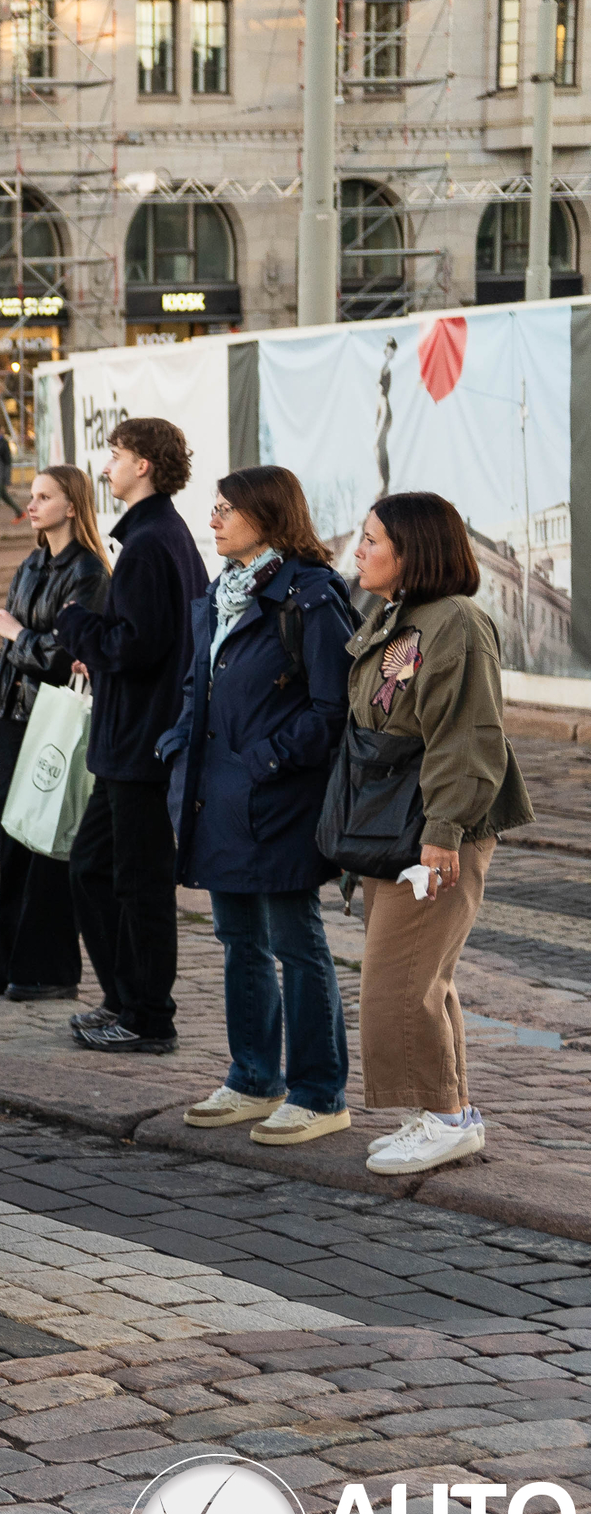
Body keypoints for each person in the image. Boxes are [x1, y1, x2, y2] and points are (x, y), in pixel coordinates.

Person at [161, 467, 360, 1144]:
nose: (212, 520)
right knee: (238, 940)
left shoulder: (309, 596)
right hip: (216, 796)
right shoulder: (222, 591)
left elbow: (334, 708)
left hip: (276, 800)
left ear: (267, 516)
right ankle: (252, 1076)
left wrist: (264, 759)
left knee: (295, 943)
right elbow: (201, 684)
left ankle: (319, 1090)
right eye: (213, 508)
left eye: (226, 510)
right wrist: (178, 744)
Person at [346, 493, 534, 1174]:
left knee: (402, 979)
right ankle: (443, 1112)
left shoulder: (455, 622)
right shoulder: (403, 617)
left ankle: (446, 1120)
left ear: (412, 551)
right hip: (402, 822)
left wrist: (443, 831)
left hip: (432, 826)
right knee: (425, 976)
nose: (360, 550)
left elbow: (469, 736)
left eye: (372, 540)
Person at [53, 417, 208, 1053]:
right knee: (93, 865)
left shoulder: (149, 544)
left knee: (139, 883)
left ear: (143, 465)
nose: (107, 466)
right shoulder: (155, 536)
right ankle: (126, 998)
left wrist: (77, 628)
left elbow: (139, 646)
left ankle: (149, 1017)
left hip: (140, 741)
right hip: (132, 739)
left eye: (115, 455)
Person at [0, 464, 109, 1001]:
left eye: (44, 497)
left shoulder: (89, 574)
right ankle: (11, 960)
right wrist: (21, 646)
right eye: (32, 496)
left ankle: (48, 969)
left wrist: (15, 636)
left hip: (49, 717)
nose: (32, 505)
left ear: (73, 506)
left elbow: (66, 657)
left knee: (48, 838)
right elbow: (43, 644)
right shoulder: (32, 563)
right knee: (14, 837)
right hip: (10, 715)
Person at [0, 421, 25, 524]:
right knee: (4, 496)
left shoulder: (3, 443)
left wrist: (7, 479)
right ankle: (20, 513)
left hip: (1, 476)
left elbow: (7, 463)